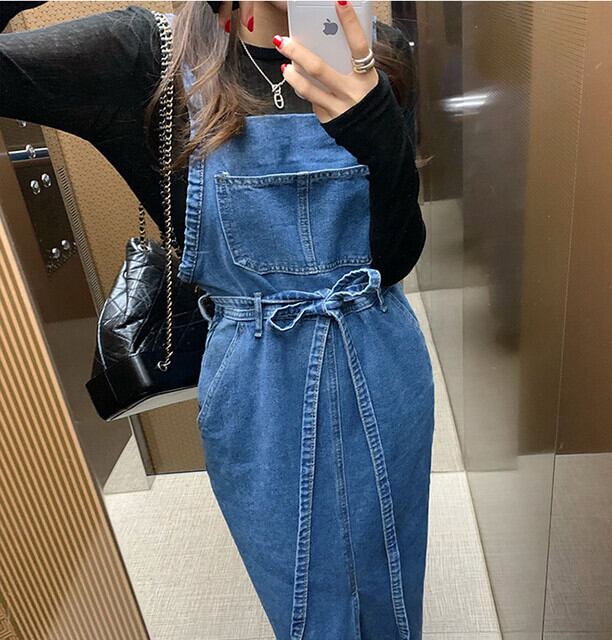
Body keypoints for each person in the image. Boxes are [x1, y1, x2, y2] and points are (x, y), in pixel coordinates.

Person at [1, 2, 436, 638]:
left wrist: (376, 130)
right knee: (303, 596)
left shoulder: (379, 49)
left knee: (391, 576)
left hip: (382, 355)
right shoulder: (146, 55)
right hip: (259, 386)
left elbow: (395, 257)